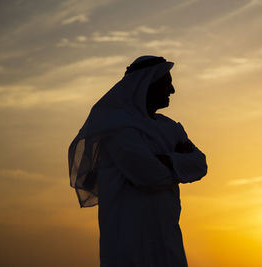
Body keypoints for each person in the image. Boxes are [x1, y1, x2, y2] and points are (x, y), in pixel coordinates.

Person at [68, 55, 208, 267]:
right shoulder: (117, 128)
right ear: (146, 86)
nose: (172, 91)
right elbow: (148, 175)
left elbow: (200, 165)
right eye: (166, 84)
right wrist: (179, 162)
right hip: (128, 242)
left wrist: (166, 160)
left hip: (167, 238)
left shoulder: (171, 127)